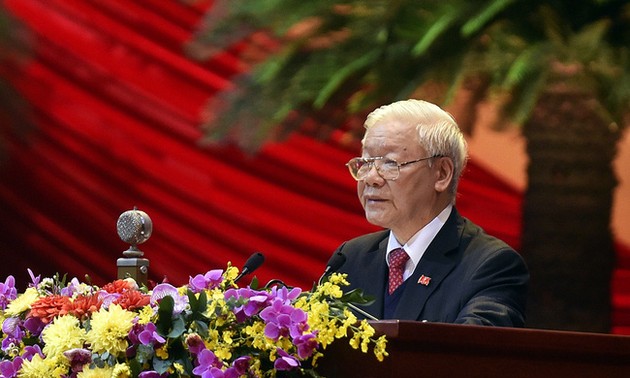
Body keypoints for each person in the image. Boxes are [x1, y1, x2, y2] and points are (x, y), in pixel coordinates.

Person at [331, 99, 529, 327]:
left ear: (442, 174)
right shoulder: (350, 258)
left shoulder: (490, 265)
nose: (371, 178)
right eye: (365, 162)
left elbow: (471, 357)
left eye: (390, 163)